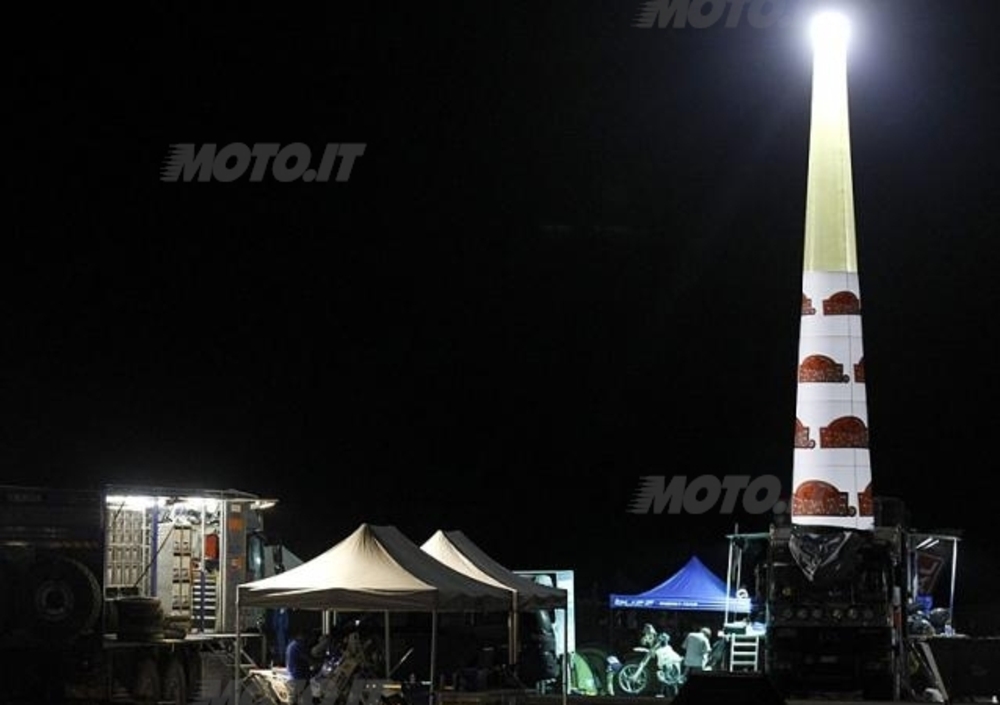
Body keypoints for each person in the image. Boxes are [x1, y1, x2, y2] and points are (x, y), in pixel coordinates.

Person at [286, 629, 314, 704]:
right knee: (306, 700)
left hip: (293, 676)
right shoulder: (298, 646)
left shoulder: (291, 645)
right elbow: (307, 659)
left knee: (294, 700)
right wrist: (315, 663)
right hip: (300, 677)